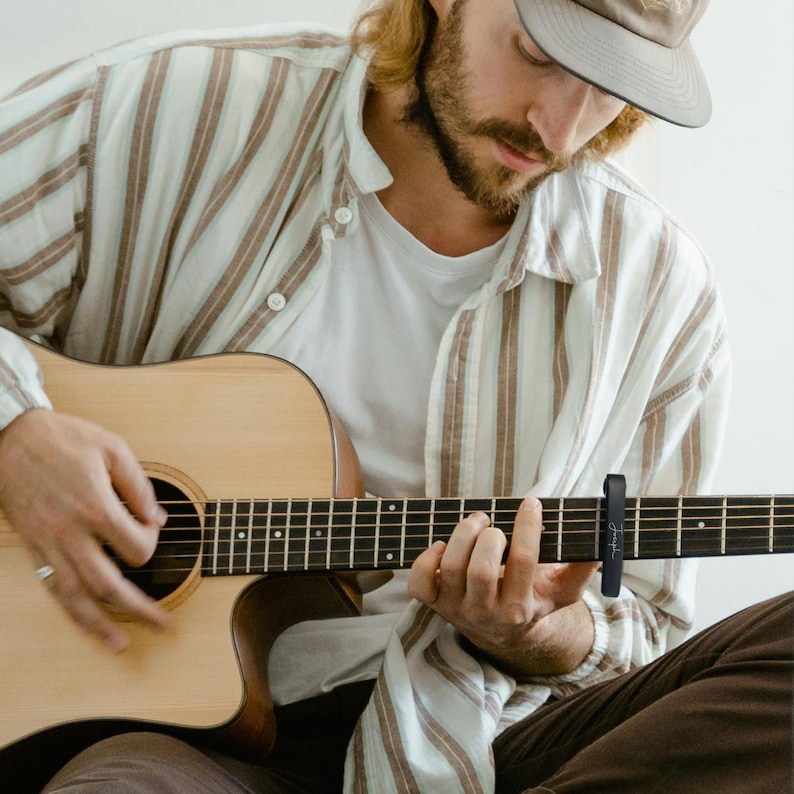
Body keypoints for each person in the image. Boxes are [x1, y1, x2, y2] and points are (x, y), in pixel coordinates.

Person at [0, 0, 790, 791]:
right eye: (538, 53)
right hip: (176, 739)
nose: (558, 127)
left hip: (483, 736)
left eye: (610, 84)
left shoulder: (659, 294)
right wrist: (18, 433)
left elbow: (643, 628)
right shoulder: (169, 105)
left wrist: (537, 629)